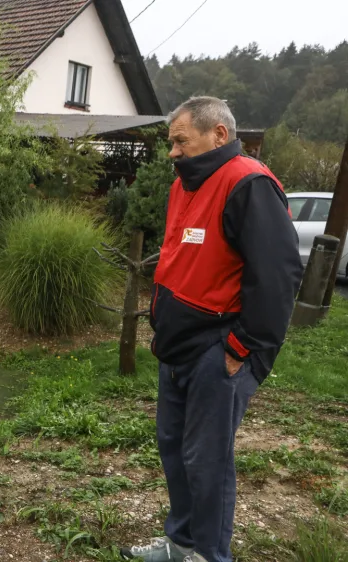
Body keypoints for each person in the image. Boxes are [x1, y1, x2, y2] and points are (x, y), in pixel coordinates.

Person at [121, 97, 303, 562]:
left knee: (207, 462)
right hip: (177, 347)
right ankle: (180, 544)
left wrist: (243, 347)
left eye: (180, 140)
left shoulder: (248, 183)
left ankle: (208, 555)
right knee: (173, 449)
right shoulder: (185, 185)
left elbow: (277, 276)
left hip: (218, 351)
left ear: (218, 134)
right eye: (171, 142)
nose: (172, 152)